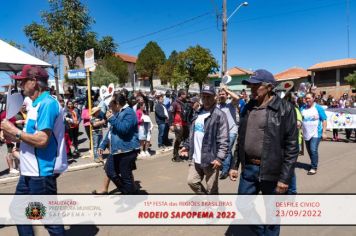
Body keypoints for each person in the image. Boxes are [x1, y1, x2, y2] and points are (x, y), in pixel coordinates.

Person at [229, 69, 298, 236]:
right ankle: (262, 232)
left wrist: (284, 178)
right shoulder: (248, 108)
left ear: (269, 87)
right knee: (242, 204)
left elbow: (292, 146)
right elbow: (241, 139)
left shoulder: (285, 109)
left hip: (273, 170)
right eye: (250, 85)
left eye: (256, 85)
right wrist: (234, 165)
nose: (252, 89)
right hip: (249, 169)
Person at [1, 65, 67, 235]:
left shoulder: (47, 104)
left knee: (49, 220)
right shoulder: (34, 104)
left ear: (34, 81)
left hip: (42, 173)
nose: (21, 85)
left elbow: (42, 140)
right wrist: (11, 135)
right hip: (29, 172)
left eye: (23, 81)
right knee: (18, 210)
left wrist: (14, 131)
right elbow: (29, 137)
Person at [180, 84, 229, 194]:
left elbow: (224, 139)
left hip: (211, 159)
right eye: (204, 97)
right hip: (195, 157)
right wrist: (186, 146)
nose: (206, 100)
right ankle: (206, 199)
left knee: (212, 189)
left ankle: (213, 207)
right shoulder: (197, 113)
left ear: (214, 97)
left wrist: (219, 158)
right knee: (192, 181)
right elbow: (193, 133)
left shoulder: (219, 115)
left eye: (209, 97)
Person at [98, 92, 140, 194]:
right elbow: (111, 131)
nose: (110, 108)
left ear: (117, 103)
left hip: (127, 150)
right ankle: (127, 192)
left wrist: (111, 118)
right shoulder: (118, 112)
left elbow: (124, 129)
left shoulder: (129, 112)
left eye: (111, 105)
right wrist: (103, 145)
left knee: (126, 176)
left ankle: (130, 196)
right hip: (117, 149)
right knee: (110, 171)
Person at [300, 92, 327, 175]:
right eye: (306, 98)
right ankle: (313, 163)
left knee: (313, 149)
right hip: (306, 133)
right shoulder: (302, 108)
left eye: (309, 98)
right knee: (309, 151)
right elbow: (300, 119)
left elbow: (324, 120)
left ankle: (313, 167)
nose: (307, 100)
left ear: (313, 98)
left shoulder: (318, 108)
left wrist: (324, 132)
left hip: (316, 133)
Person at [217, 84, 240, 180]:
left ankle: (225, 171)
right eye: (220, 94)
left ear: (227, 95)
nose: (222, 95)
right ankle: (230, 166)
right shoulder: (217, 106)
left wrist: (226, 89)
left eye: (224, 94)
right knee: (227, 150)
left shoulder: (231, 103)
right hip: (221, 132)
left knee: (226, 149)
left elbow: (237, 97)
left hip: (231, 131)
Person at [170, 89, 189, 162]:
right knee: (178, 140)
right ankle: (175, 155)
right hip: (178, 124)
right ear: (181, 95)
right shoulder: (175, 103)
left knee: (187, 138)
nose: (186, 95)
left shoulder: (184, 102)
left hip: (184, 124)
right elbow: (170, 113)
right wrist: (171, 125)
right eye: (185, 94)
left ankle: (186, 153)